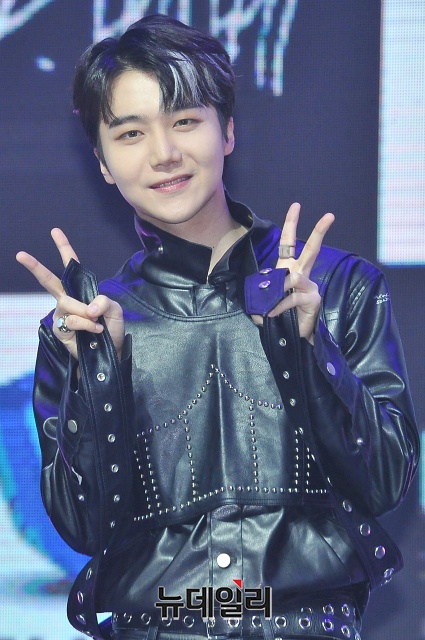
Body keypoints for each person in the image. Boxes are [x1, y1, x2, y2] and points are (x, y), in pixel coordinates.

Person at [16, 13, 418, 640]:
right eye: (130, 133)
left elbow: (388, 481)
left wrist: (312, 349)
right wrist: (98, 379)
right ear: (102, 162)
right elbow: (83, 528)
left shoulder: (339, 290)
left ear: (227, 131)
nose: (164, 153)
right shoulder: (84, 329)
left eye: (184, 121)